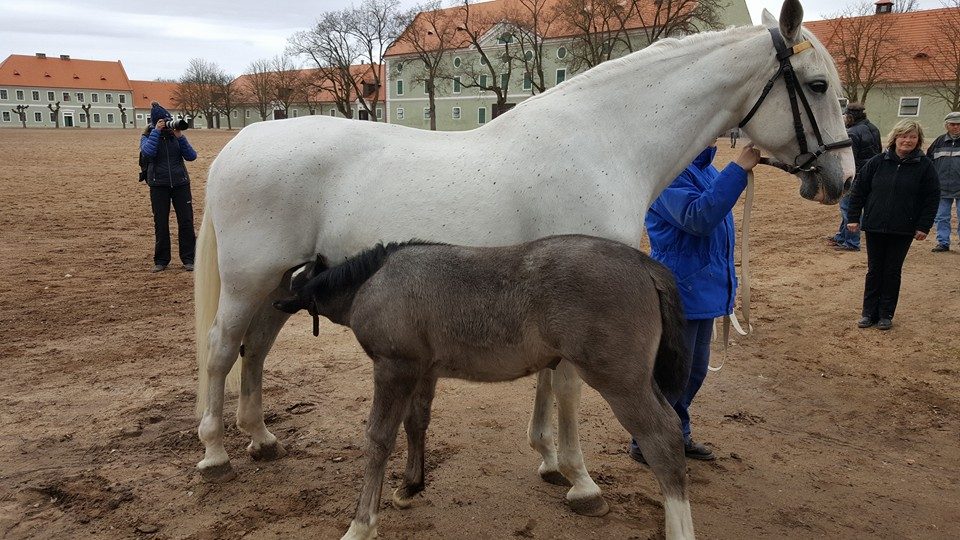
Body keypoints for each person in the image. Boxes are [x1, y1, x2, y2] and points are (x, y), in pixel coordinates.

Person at [629, 141, 761, 464]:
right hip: (679, 290)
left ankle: (678, 432)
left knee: (694, 372)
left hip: (702, 289)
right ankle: (645, 441)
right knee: (672, 375)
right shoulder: (668, 176)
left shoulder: (704, 170)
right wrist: (738, 169)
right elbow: (698, 217)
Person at [847, 119, 940, 331]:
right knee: (874, 270)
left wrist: (924, 226)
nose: (907, 140)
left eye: (912, 137)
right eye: (903, 136)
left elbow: (932, 197)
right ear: (895, 137)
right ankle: (868, 313)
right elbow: (859, 190)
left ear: (918, 140)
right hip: (875, 225)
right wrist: (853, 217)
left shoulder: (925, 167)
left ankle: (885, 314)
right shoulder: (877, 162)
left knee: (892, 271)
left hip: (903, 229)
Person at [140, 102, 197, 273]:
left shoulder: (176, 136)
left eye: (168, 120)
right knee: (161, 223)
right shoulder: (147, 136)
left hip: (181, 183)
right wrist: (156, 132)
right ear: (156, 122)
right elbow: (148, 153)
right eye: (163, 121)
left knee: (186, 222)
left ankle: (189, 259)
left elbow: (191, 156)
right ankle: (161, 260)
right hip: (159, 185)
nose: (167, 124)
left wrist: (180, 136)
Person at [827, 103, 881, 251]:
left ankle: (852, 242)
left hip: (856, 175)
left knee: (849, 208)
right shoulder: (873, 128)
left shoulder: (851, 133)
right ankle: (842, 236)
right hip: (870, 173)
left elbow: (850, 158)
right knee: (850, 207)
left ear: (850, 116)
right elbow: (879, 151)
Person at [927, 111, 960, 252]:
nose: (956, 127)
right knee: (941, 217)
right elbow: (928, 162)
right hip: (941, 187)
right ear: (946, 125)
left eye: (959, 124)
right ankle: (943, 242)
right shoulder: (938, 142)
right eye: (953, 124)